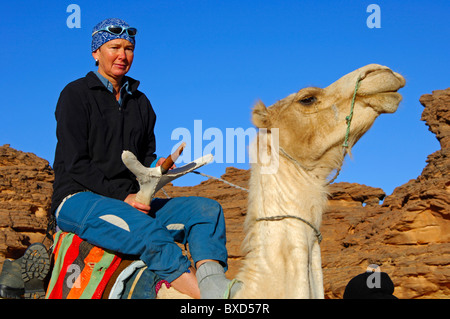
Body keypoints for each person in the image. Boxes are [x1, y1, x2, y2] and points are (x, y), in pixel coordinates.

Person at [49, 18, 239, 299]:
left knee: (206, 212)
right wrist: (122, 197)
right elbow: (76, 163)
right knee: (149, 232)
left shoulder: (141, 103)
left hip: (129, 198)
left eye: (128, 48)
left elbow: (145, 159)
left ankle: (214, 283)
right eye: (114, 47)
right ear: (96, 52)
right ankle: (209, 299)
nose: (122, 55)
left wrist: (159, 169)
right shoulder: (75, 95)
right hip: (78, 198)